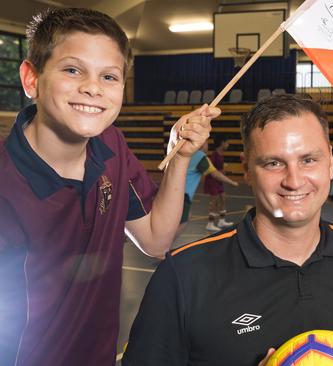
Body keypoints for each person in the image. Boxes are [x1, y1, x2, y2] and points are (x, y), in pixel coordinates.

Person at [0, 8, 218, 366]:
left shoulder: (112, 147)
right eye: (72, 70)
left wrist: (179, 156)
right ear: (31, 78)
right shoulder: (6, 185)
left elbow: (154, 239)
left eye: (109, 76)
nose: (92, 87)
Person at [123, 94, 333, 365]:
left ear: (331, 164)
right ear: (247, 170)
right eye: (274, 163)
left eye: (308, 160)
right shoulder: (184, 275)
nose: (294, 180)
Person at [177, 141, 238, 237]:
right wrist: (232, 182)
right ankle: (163, 248)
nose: (207, 145)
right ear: (200, 143)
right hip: (183, 194)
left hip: (175, 192)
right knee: (180, 223)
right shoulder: (200, 156)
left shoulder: (186, 153)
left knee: (183, 218)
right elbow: (215, 174)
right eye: (206, 143)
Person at [205, 135, 237, 231]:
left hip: (218, 181)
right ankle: (210, 223)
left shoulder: (221, 154)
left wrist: (223, 172)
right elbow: (212, 169)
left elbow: (219, 169)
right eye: (227, 142)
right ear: (222, 143)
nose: (228, 144)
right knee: (214, 201)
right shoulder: (214, 155)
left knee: (223, 198)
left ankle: (221, 221)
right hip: (212, 180)